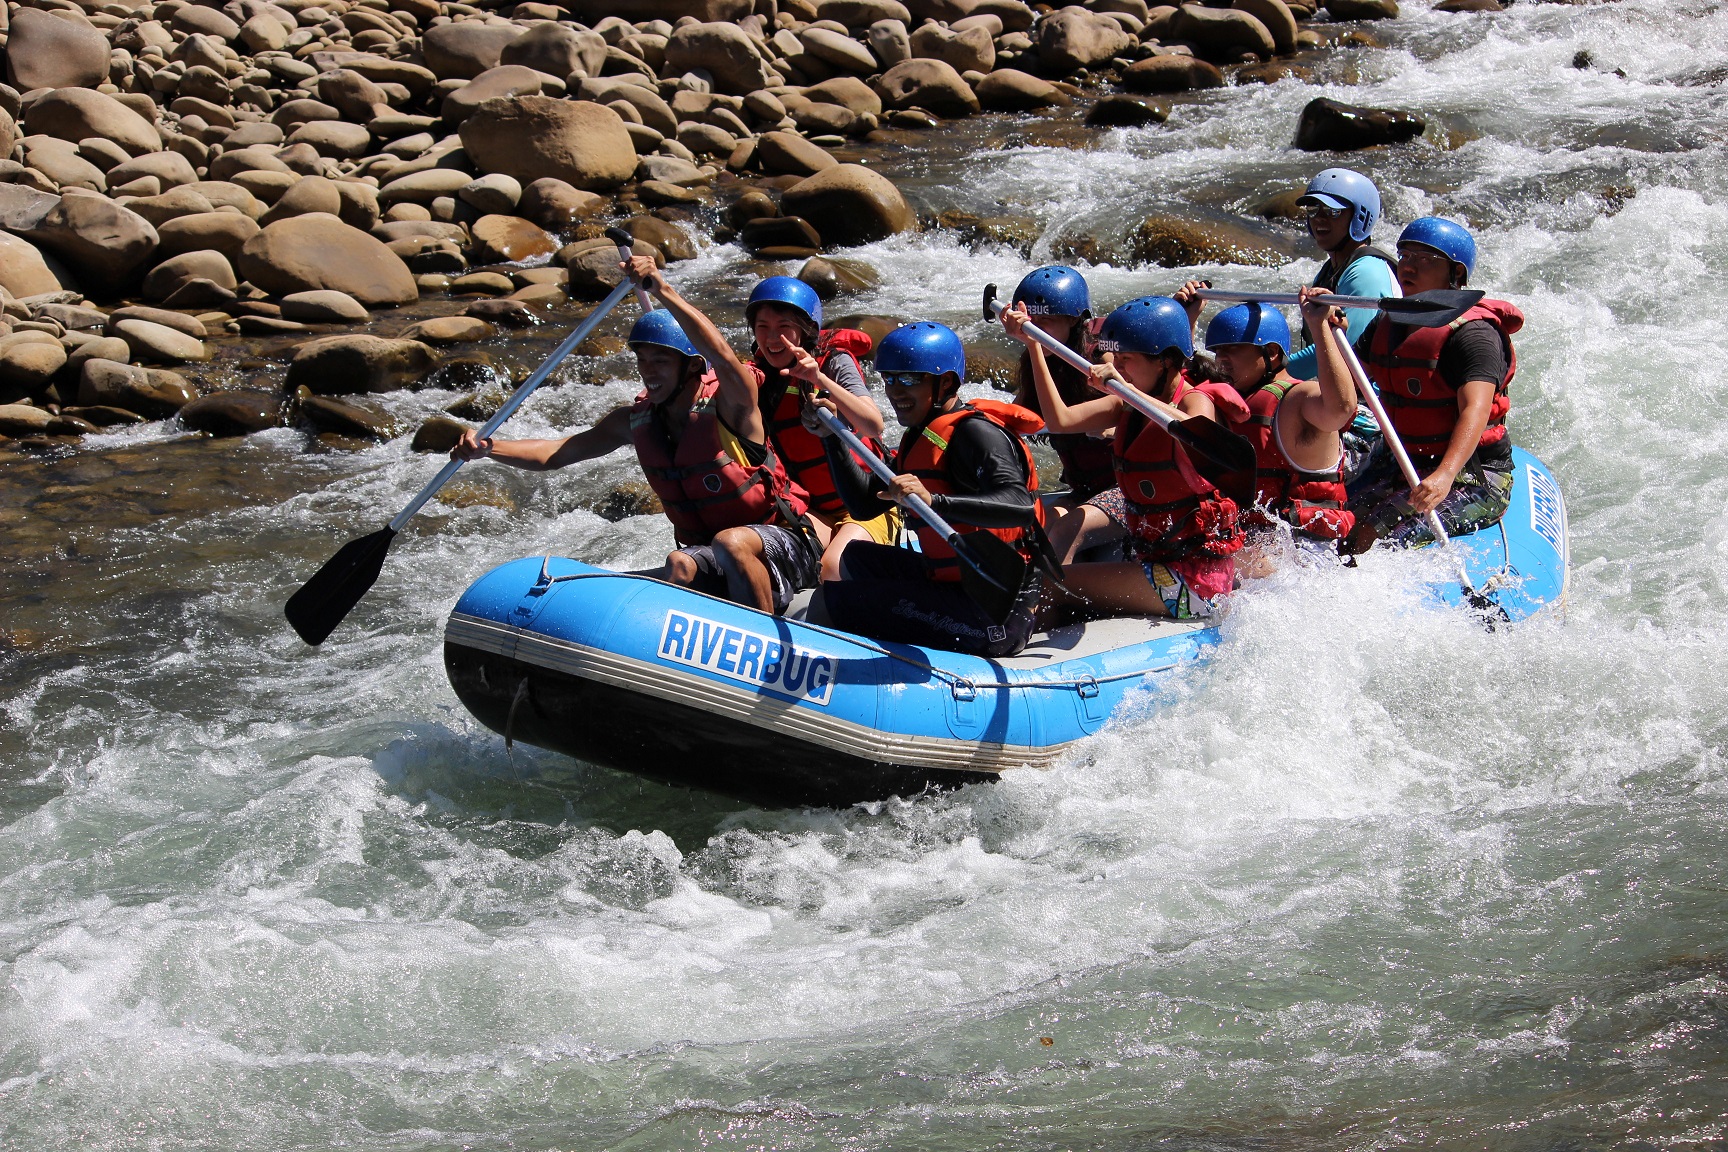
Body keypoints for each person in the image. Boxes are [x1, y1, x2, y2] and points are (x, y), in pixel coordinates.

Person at [449, 255, 818, 614]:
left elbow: (721, 355)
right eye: (642, 360)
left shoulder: (732, 404)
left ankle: (765, 651)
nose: (648, 372)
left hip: (788, 545)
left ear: (691, 367)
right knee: (679, 564)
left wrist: (662, 289)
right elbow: (555, 451)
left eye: (660, 361)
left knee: (731, 541)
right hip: (716, 552)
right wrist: (489, 447)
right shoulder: (635, 420)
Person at [815, 322, 1050, 657]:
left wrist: (934, 500)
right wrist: (832, 440)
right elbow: (865, 505)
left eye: (909, 379)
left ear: (946, 383)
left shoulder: (977, 435)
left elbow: (1019, 505)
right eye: (889, 379)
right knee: (854, 558)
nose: (895, 390)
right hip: (952, 583)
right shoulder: (920, 436)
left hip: (996, 613)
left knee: (827, 600)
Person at [1003, 296, 1242, 621]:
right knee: (1038, 564)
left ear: (1165, 362)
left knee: (1049, 583)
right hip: (1159, 564)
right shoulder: (1126, 403)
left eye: (1127, 359)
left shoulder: (1195, 402)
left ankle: (1016, 649)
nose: (1119, 367)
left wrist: (1122, 390)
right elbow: (1060, 419)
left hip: (1197, 584)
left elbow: (1197, 434)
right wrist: (1032, 346)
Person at [1339, 216, 1524, 552]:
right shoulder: (1388, 321)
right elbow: (1346, 385)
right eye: (1405, 256)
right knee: (1336, 520)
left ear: (1456, 274)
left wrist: (1444, 476)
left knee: (1371, 538)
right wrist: (1322, 327)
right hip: (1403, 460)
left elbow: (1476, 408)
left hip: (1474, 474)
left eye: (1424, 260)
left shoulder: (1475, 334)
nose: (1408, 266)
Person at [1180, 291, 1359, 569]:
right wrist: (1186, 319)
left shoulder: (1299, 398)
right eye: (1217, 351)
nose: (1221, 359)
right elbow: (1177, 387)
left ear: (1272, 353)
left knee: (1200, 566)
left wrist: (1319, 325)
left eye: (1232, 349)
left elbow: (1341, 408)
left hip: (1305, 550)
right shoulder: (1228, 398)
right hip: (1252, 540)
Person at [744, 276, 899, 582]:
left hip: (869, 504)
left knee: (832, 568)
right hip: (811, 508)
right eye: (762, 327)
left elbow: (872, 423)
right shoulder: (758, 377)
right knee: (758, 557)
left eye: (783, 326)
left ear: (806, 329)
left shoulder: (835, 363)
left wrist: (819, 380)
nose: (772, 337)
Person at [1007, 265, 1117, 507]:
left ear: (1073, 319)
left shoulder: (1103, 358)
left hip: (1122, 487)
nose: (1035, 329)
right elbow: (1012, 421)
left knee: (1062, 532)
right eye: (1031, 321)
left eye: (1046, 320)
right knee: (1037, 528)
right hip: (1082, 489)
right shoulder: (1036, 362)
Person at [1284, 167, 1399, 382]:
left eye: (1333, 211)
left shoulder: (1366, 272)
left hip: (1369, 402)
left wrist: (1275, 373)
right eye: (1313, 209)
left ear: (1359, 217)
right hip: (1338, 392)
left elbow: (1347, 351)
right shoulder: (1330, 270)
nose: (1319, 219)